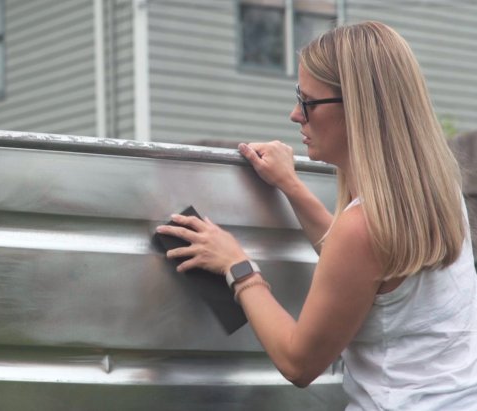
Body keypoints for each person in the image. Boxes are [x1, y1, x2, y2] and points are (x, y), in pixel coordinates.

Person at [155, 21, 477, 410]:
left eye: (307, 102)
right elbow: (362, 270)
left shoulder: (364, 228)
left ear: (358, 108)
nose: (295, 115)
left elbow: (298, 362)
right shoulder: (438, 191)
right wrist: (290, 186)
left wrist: (238, 267)